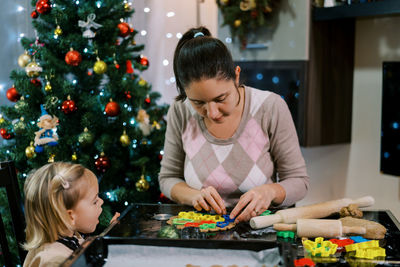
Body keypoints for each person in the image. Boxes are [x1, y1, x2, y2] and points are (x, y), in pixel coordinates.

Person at [158, 26, 309, 223]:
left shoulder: (270, 107)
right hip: (198, 229)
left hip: (259, 229)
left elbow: (299, 182)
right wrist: (192, 195)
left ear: (236, 76)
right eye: (198, 103)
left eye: (221, 98)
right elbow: (167, 178)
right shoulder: (180, 110)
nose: (212, 113)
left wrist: (269, 192)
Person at [22, 162, 117, 267]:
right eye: (94, 201)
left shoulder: (71, 235)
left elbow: (88, 250)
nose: (101, 202)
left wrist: (110, 234)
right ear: (69, 216)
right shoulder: (55, 261)